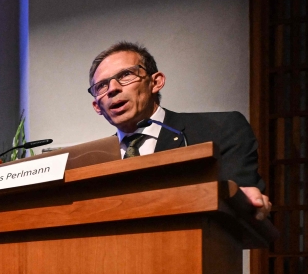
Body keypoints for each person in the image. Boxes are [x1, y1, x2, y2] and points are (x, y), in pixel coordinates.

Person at [87, 41, 271, 221]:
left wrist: (244, 200)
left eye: (125, 74)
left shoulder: (220, 129)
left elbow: (240, 197)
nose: (112, 89)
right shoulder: (91, 162)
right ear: (97, 106)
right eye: (102, 86)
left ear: (156, 82)